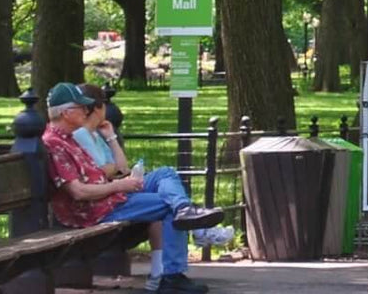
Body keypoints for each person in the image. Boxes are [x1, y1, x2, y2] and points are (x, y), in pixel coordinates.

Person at [43, 82, 222, 293]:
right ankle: (171, 276)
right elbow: (79, 192)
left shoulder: (69, 138)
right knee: (167, 205)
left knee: (167, 183)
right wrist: (120, 184)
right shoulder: (55, 143)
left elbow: (112, 171)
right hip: (93, 209)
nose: (86, 111)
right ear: (66, 113)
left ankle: (184, 213)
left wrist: (120, 183)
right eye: (82, 107)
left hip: (107, 198)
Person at [73, 85, 234, 248]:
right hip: (108, 197)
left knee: (166, 173)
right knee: (169, 203)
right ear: (98, 108)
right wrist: (115, 172)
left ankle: (186, 211)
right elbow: (104, 171)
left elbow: (122, 168)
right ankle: (195, 233)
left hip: (117, 188)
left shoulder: (96, 133)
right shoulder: (81, 134)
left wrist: (111, 137)